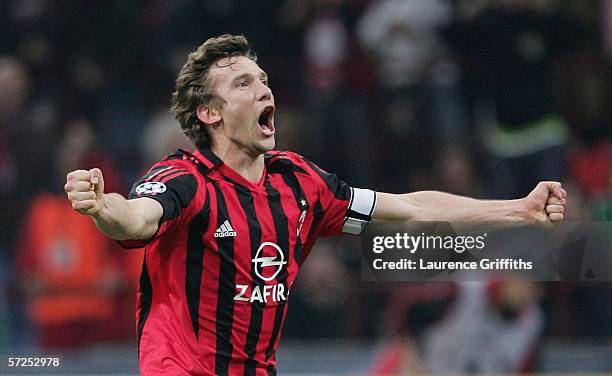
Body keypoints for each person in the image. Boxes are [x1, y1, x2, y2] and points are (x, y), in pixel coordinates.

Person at [64, 34, 567, 375]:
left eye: (262, 79)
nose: (263, 89)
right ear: (210, 113)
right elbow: (135, 218)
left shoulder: (300, 184)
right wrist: (100, 207)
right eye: (243, 83)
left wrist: (518, 210)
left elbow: (410, 208)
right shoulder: (184, 179)